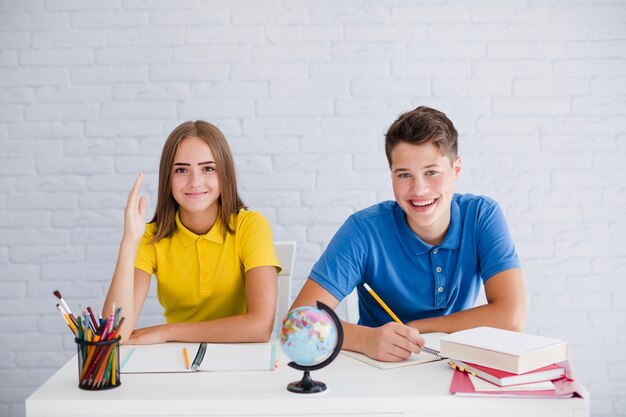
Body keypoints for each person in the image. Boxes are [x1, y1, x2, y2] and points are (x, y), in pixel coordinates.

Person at [291, 106, 525, 362]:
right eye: (404, 174)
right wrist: (366, 339)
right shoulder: (364, 230)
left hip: (451, 366)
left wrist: (417, 327)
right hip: (378, 370)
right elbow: (300, 321)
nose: (419, 189)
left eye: (432, 172)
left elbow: (511, 318)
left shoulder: (482, 215)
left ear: (456, 169)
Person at [103, 121, 281, 344]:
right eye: (181, 170)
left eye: (208, 168)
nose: (195, 182)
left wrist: (168, 332)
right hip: (177, 359)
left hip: (239, 356)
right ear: (167, 178)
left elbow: (259, 328)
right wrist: (129, 242)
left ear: (225, 173)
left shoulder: (251, 226)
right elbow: (113, 334)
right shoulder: (150, 236)